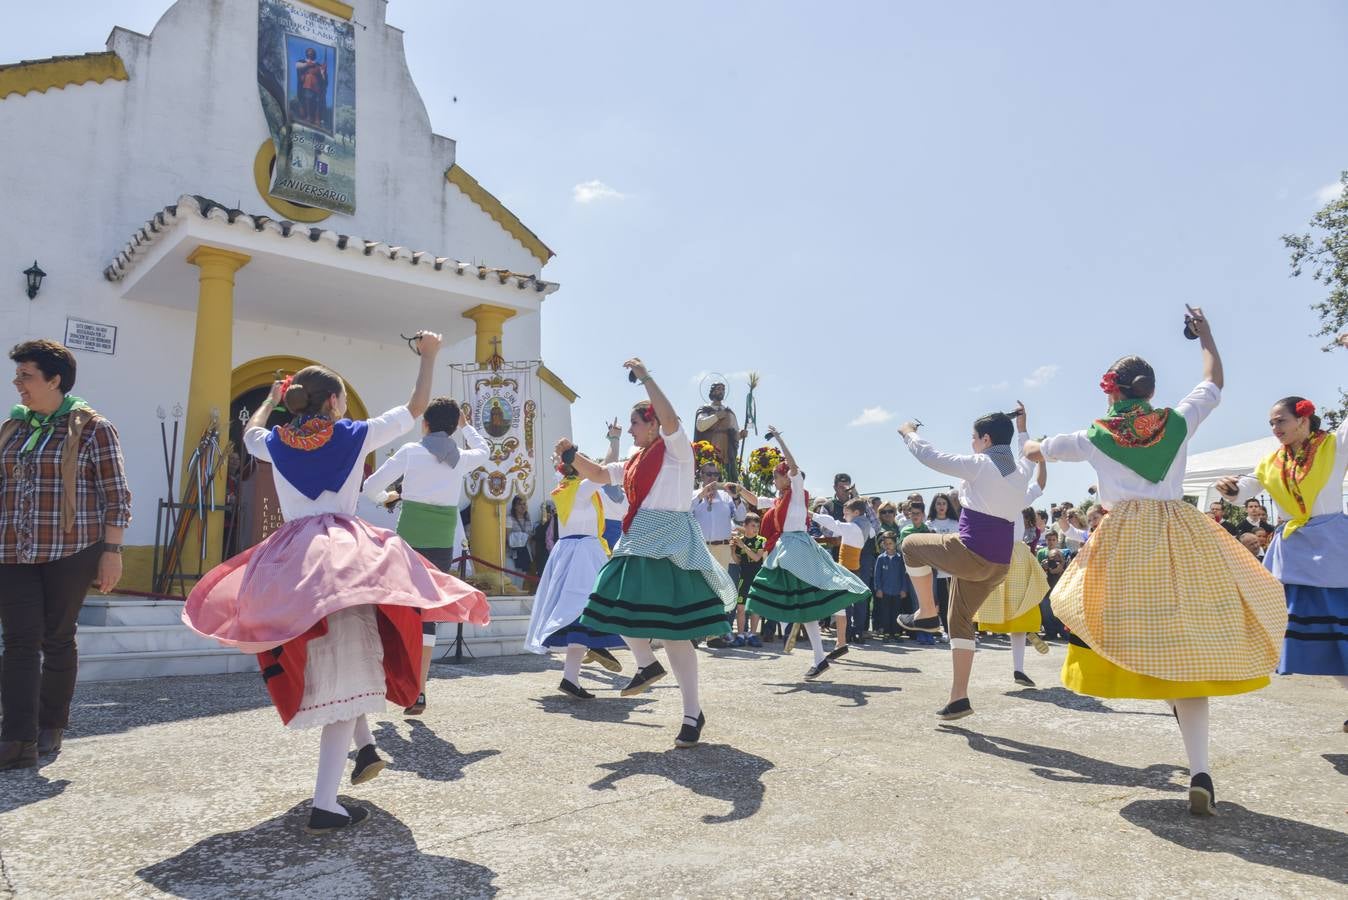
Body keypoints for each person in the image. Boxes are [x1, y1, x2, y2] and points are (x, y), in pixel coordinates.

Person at [182, 334, 491, 833]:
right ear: (332, 401)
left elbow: (250, 435)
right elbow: (415, 407)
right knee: (349, 666)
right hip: (344, 555)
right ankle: (326, 804)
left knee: (335, 660)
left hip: (292, 558)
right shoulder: (353, 433)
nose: (345, 404)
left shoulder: (274, 443)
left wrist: (267, 400)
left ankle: (364, 748)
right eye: (342, 396)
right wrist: (430, 354)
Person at [1024, 308, 1286, 816]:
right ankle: (1201, 770)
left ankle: (1102, 665)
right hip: (1181, 534)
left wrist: (1029, 440)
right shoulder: (1177, 421)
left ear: (1113, 390)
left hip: (1125, 539)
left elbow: (1037, 449)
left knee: (1087, 608)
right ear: (1148, 390)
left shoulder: (1091, 436)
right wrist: (1205, 333)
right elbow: (1213, 380)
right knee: (1188, 652)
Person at [575, 359, 739, 747]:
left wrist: (647, 378)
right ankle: (647, 664)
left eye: (636, 422)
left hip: (671, 543)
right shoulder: (632, 461)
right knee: (609, 603)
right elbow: (598, 474)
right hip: (637, 541)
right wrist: (570, 458)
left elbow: (672, 420)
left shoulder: (676, 452)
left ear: (652, 424)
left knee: (677, 634)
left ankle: (691, 713)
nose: (631, 429)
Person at [0, 340, 131, 769]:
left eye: (26, 376)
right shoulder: (13, 429)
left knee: (57, 638)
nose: (18, 384)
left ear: (54, 380)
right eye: (18, 375)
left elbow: (116, 496)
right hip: (13, 550)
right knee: (18, 641)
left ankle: (49, 726)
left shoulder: (93, 428)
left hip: (70, 549)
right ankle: (15, 739)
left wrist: (111, 552)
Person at [1215, 389, 1348, 731]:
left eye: (1281, 421)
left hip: (1330, 549)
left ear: (1303, 419)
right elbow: (1245, 489)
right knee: (1319, 635)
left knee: (1337, 631)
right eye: (1271, 422)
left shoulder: (1335, 445)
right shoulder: (1273, 462)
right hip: (1293, 552)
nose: (1275, 427)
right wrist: (1228, 488)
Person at [896, 402, 1036, 720]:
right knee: (959, 620)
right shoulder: (1021, 472)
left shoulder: (980, 464)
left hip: (972, 553)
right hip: (998, 565)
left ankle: (927, 613)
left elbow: (931, 457)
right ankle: (959, 697)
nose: (971, 442)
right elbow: (1025, 450)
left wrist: (908, 433)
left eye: (974, 437)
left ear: (986, 439)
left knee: (909, 545)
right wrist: (1023, 426)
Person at [361, 396, 490, 715]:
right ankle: (418, 690)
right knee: (427, 612)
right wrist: (468, 426)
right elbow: (485, 451)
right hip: (442, 539)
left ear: (425, 424)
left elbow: (369, 487)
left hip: (410, 536)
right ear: (452, 426)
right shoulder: (459, 457)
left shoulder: (411, 452)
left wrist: (388, 497)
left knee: (398, 605)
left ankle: (386, 678)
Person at [738, 429, 870, 680]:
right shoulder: (779, 501)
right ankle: (818, 656)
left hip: (797, 546)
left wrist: (778, 438)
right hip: (787, 548)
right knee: (803, 603)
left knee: (774, 586)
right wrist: (738, 488)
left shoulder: (797, 492)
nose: (775, 482)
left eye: (777, 477)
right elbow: (756, 499)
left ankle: (797, 632)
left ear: (786, 477)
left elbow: (794, 466)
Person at [521, 438, 626, 699]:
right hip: (584, 553)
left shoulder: (565, 489)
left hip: (569, 550)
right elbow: (605, 469)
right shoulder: (582, 489)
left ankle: (573, 674)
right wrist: (613, 442)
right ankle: (588, 659)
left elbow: (603, 468)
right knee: (584, 610)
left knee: (579, 611)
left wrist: (612, 442)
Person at [975, 455, 1052, 687]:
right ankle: (1020, 661)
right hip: (1014, 555)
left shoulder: (991, 497)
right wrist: (1042, 461)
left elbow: (1038, 485)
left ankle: (1020, 664)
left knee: (1007, 608)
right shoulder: (1015, 497)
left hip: (997, 554)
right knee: (1020, 609)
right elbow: (1040, 484)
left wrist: (1041, 461)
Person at [898, 501, 936, 646]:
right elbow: (902, 551)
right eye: (912, 513)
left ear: (923, 515)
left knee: (930, 601)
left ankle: (930, 633)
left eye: (918, 514)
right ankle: (921, 633)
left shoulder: (929, 531)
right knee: (917, 602)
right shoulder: (905, 531)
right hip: (913, 572)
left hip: (928, 571)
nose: (915, 516)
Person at [694, 380, 748, 480]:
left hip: (726, 451)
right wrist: (716, 416)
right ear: (713, 391)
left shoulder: (728, 412)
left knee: (726, 474)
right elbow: (700, 425)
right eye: (718, 389)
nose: (721, 391)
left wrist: (741, 434)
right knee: (710, 471)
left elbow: (734, 434)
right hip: (710, 449)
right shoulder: (706, 409)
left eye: (723, 389)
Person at [926, 492, 960, 638]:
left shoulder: (955, 524)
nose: (941, 506)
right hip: (935, 571)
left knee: (956, 604)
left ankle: (958, 631)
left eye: (944, 503)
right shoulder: (928, 524)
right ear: (934, 506)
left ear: (948, 506)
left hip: (952, 570)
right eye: (938, 503)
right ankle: (946, 631)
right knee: (941, 604)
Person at [730, 514, 767, 646]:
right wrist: (733, 551)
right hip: (744, 578)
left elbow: (757, 558)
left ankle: (752, 634)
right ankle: (740, 635)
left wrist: (743, 545)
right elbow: (738, 561)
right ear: (745, 526)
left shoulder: (761, 540)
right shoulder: (739, 540)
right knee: (740, 608)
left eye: (757, 526)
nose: (756, 528)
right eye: (752, 525)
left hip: (756, 579)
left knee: (754, 608)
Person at [872, 532, 909, 640]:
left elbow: (903, 575)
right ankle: (886, 632)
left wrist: (904, 589)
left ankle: (897, 632)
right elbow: (877, 575)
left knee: (896, 612)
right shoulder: (881, 558)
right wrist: (878, 588)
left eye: (890, 543)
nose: (888, 546)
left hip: (897, 591)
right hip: (885, 591)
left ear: (895, 543)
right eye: (885, 543)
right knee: (885, 613)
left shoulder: (900, 558)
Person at [507, 496, 533, 587]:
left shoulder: (528, 520)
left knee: (520, 582)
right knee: (511, 580)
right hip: (511, 554)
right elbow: (508, 537)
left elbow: (530, 538)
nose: (522, 507)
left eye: (524, 504)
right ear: (514, 506)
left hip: (524, 554)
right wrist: (522, 538)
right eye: (519, 504)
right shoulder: (509, 519)